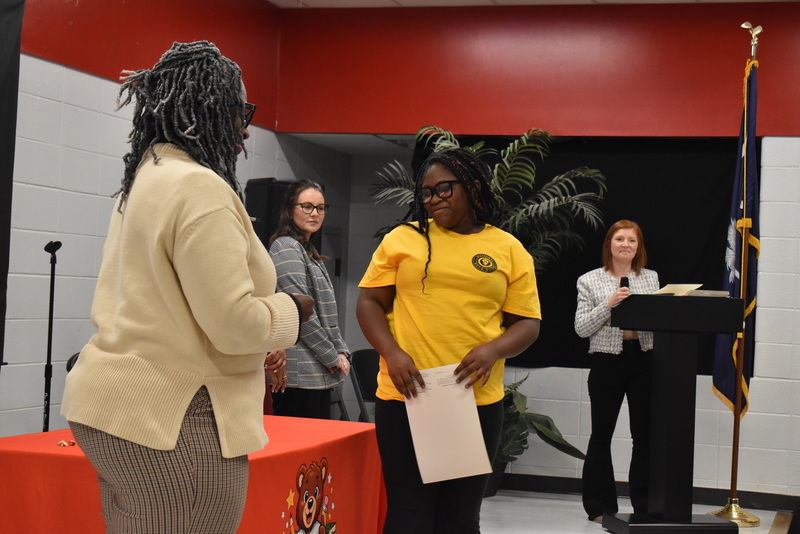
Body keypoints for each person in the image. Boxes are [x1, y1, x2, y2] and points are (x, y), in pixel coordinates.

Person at [60, 41, 313, 534]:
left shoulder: (147, 176)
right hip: (179, 417)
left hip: (115, 407)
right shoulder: (200, 188)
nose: (244, 127)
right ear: (209, 109)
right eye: (240, 110)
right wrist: (290, 312)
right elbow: (234, 325)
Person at [356, 147, 542, 534]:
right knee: (409, 513)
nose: (434, 199)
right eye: (425, 193)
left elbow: (527, 323)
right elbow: (370, 301)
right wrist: (391, 351)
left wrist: (493, 349)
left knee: (459, 517)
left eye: (444, 188)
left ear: (472, 187)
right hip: (406, 395)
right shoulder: (403, 239)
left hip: (472, 399)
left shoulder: (507, 248)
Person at [574, 219, 659, 522]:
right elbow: (582, 328)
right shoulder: (589, 280)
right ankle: (599, 507)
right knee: (601, 435)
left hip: (643, 360)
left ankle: (646, 505)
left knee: (645, 436)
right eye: (620, 239)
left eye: (632, 240)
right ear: (609, 244)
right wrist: (608, 304)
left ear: (639, 247)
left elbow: (659, 320)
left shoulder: (650, 279)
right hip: (606, 362)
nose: (626, 245)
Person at [268, 179, 351, 419]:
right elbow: (301, 313)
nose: (315, 213)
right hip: (298, 375)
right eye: (307, 206)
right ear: (289, 209)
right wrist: (332, 356)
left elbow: (327, 315)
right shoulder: (285, 247)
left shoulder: (306, 249)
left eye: (320, 207)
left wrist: (341, 350)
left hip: (314, 374)